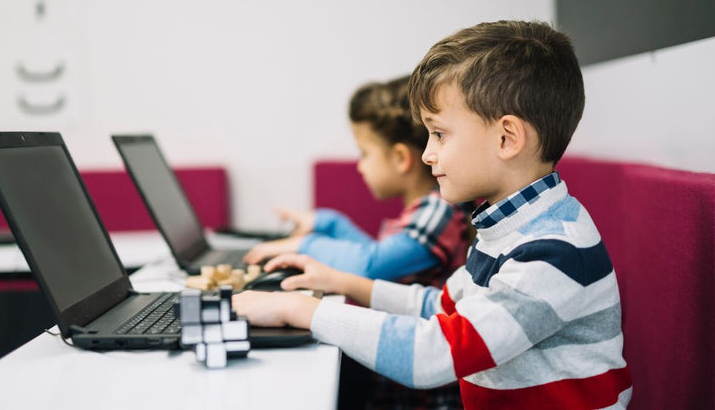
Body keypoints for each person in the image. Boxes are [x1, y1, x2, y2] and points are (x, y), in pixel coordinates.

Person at [234, 20, 633, 409]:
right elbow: (440, 307)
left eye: (439, 134)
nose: (428, 154)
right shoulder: (510, 226)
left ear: (507, 138)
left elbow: (433, 353)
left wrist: (305, 311)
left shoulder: (553, 252)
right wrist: (339, 281)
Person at [243, 76, 470, 288]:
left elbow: (370, 264)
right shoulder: (426, 209)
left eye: (364, 154)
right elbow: (373, 252)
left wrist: (303, 245)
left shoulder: (438, 211)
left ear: (401, 158)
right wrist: (328, 224)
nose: (360, 166)